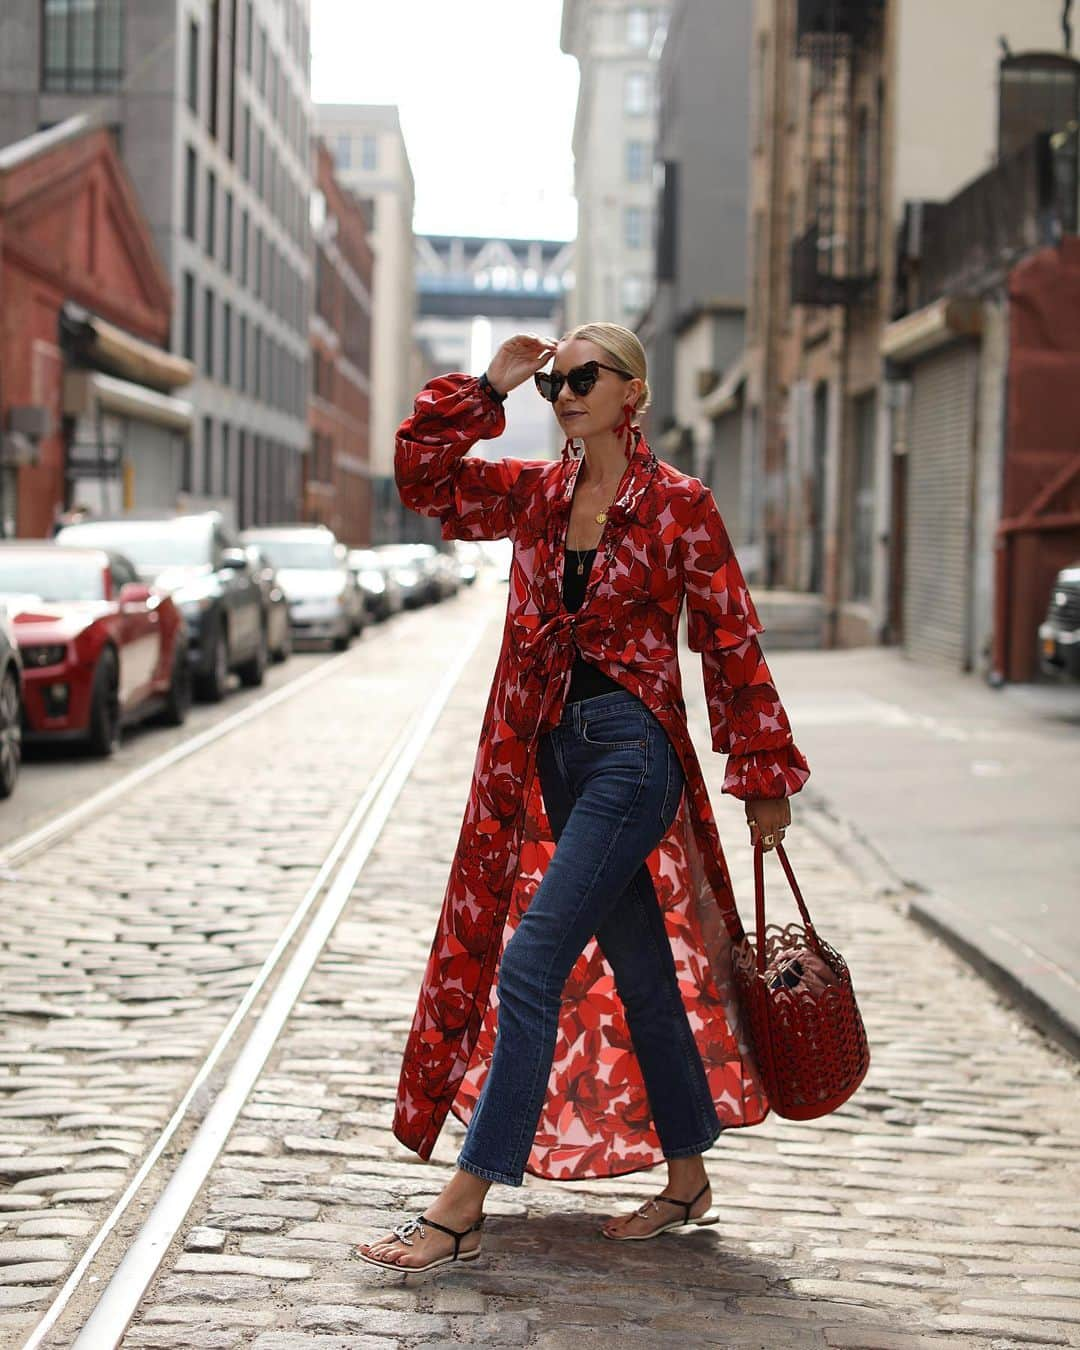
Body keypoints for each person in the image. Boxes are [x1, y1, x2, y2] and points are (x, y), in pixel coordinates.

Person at [356, 325, 809, 1273]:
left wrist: (762, 773)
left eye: (585, 377)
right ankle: (688, 1180)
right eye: (558, 379)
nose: (565, 391)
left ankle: (463, 1204)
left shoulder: (682, 505)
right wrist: (490, 385)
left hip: (632, 758)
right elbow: (425, 479)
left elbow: (728, 637)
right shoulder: (537, 492)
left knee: (530, 964)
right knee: (642, 972)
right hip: (552, 758)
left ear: (633, 392)